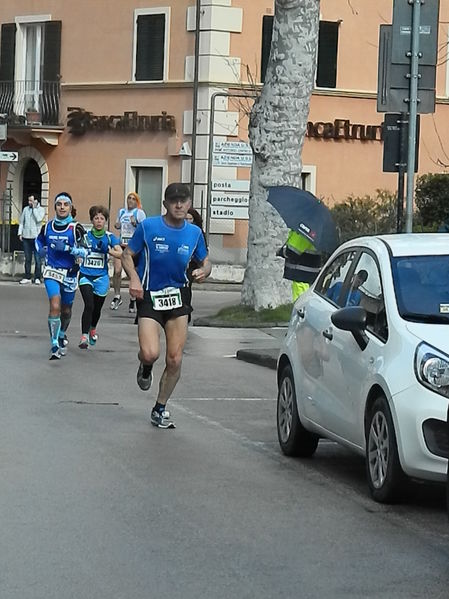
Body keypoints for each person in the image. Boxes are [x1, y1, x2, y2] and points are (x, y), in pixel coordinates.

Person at [121, 182, 211, 429]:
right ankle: (146, 366)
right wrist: (135, 279)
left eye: (184, 201)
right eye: (174, 201)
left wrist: (204, 270)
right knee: (151, 352)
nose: (179, 205)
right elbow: (127, 254)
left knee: (174, 358)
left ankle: (160, 408)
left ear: (190, 204)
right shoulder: (149, 227)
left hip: (178, 296)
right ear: (165, 204)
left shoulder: (194, 233)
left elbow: (205, 261)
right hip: (150, 294)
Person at [35, 192, 88, 360]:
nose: (62, 207)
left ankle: (62, 333)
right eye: (59, 204)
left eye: (66, 204)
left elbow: (86, 251)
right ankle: (54, 344)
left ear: (70, 207)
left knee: (66, 310)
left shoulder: (76, 228)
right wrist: (40, 250)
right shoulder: (47, 226)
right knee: (55, 305)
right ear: (55, 207)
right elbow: (39, 240)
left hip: (70, 273)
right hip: (52, 270)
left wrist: (68, 249)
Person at [78, 205, 122, 349]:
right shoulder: (85, 236)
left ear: (105, 221)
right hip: (86, 275)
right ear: (91, 220)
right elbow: (77, 252)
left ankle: (92, 328)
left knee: (97, 308)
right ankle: (84, 337)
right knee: (89, 305)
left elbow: (121, 253)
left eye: (102, 218)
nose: (98, 221)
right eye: (96, 218)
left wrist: (108, 250)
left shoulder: (110, 237)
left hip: (101, 278)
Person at [111, 192, 146, 313]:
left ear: (136, 201)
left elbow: (144, 228)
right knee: (117, 270)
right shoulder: (122, 212)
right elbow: (117, 225)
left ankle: (132, 299)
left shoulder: (139, 213)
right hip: (122, 244)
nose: (130, 201)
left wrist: (135, 223)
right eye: (128, 198)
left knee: (133, 273)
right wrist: (117, 225)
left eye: (133, 199)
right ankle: (117, 296)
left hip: (134, 247)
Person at [278, 229, 321, 301]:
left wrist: (281, 251)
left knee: (300, 304)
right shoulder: (314, 231)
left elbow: (292, 252)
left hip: (301, 275)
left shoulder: (303, 231)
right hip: (310, 272)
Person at [185, 207, 207, 322]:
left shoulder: (197, 232)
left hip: (192, 265)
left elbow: (203, 253)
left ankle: (186, 311)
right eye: (185, 219)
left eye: (190, 219)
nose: (188, 221)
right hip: (180, 263)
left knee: (187, 286)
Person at [18, 194, 45, 285]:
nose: (30, 202)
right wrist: (20, 233)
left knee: (38, 259)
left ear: (36, 201)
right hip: (26, 237)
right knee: (28, 258)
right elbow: (22, 222)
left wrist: (34, 209)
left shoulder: (41, 210)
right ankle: (27, 276)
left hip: (36, 237)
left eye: (32, 201)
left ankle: (37, 277)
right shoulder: (25, 209)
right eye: (29, 200)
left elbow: (38, 219)